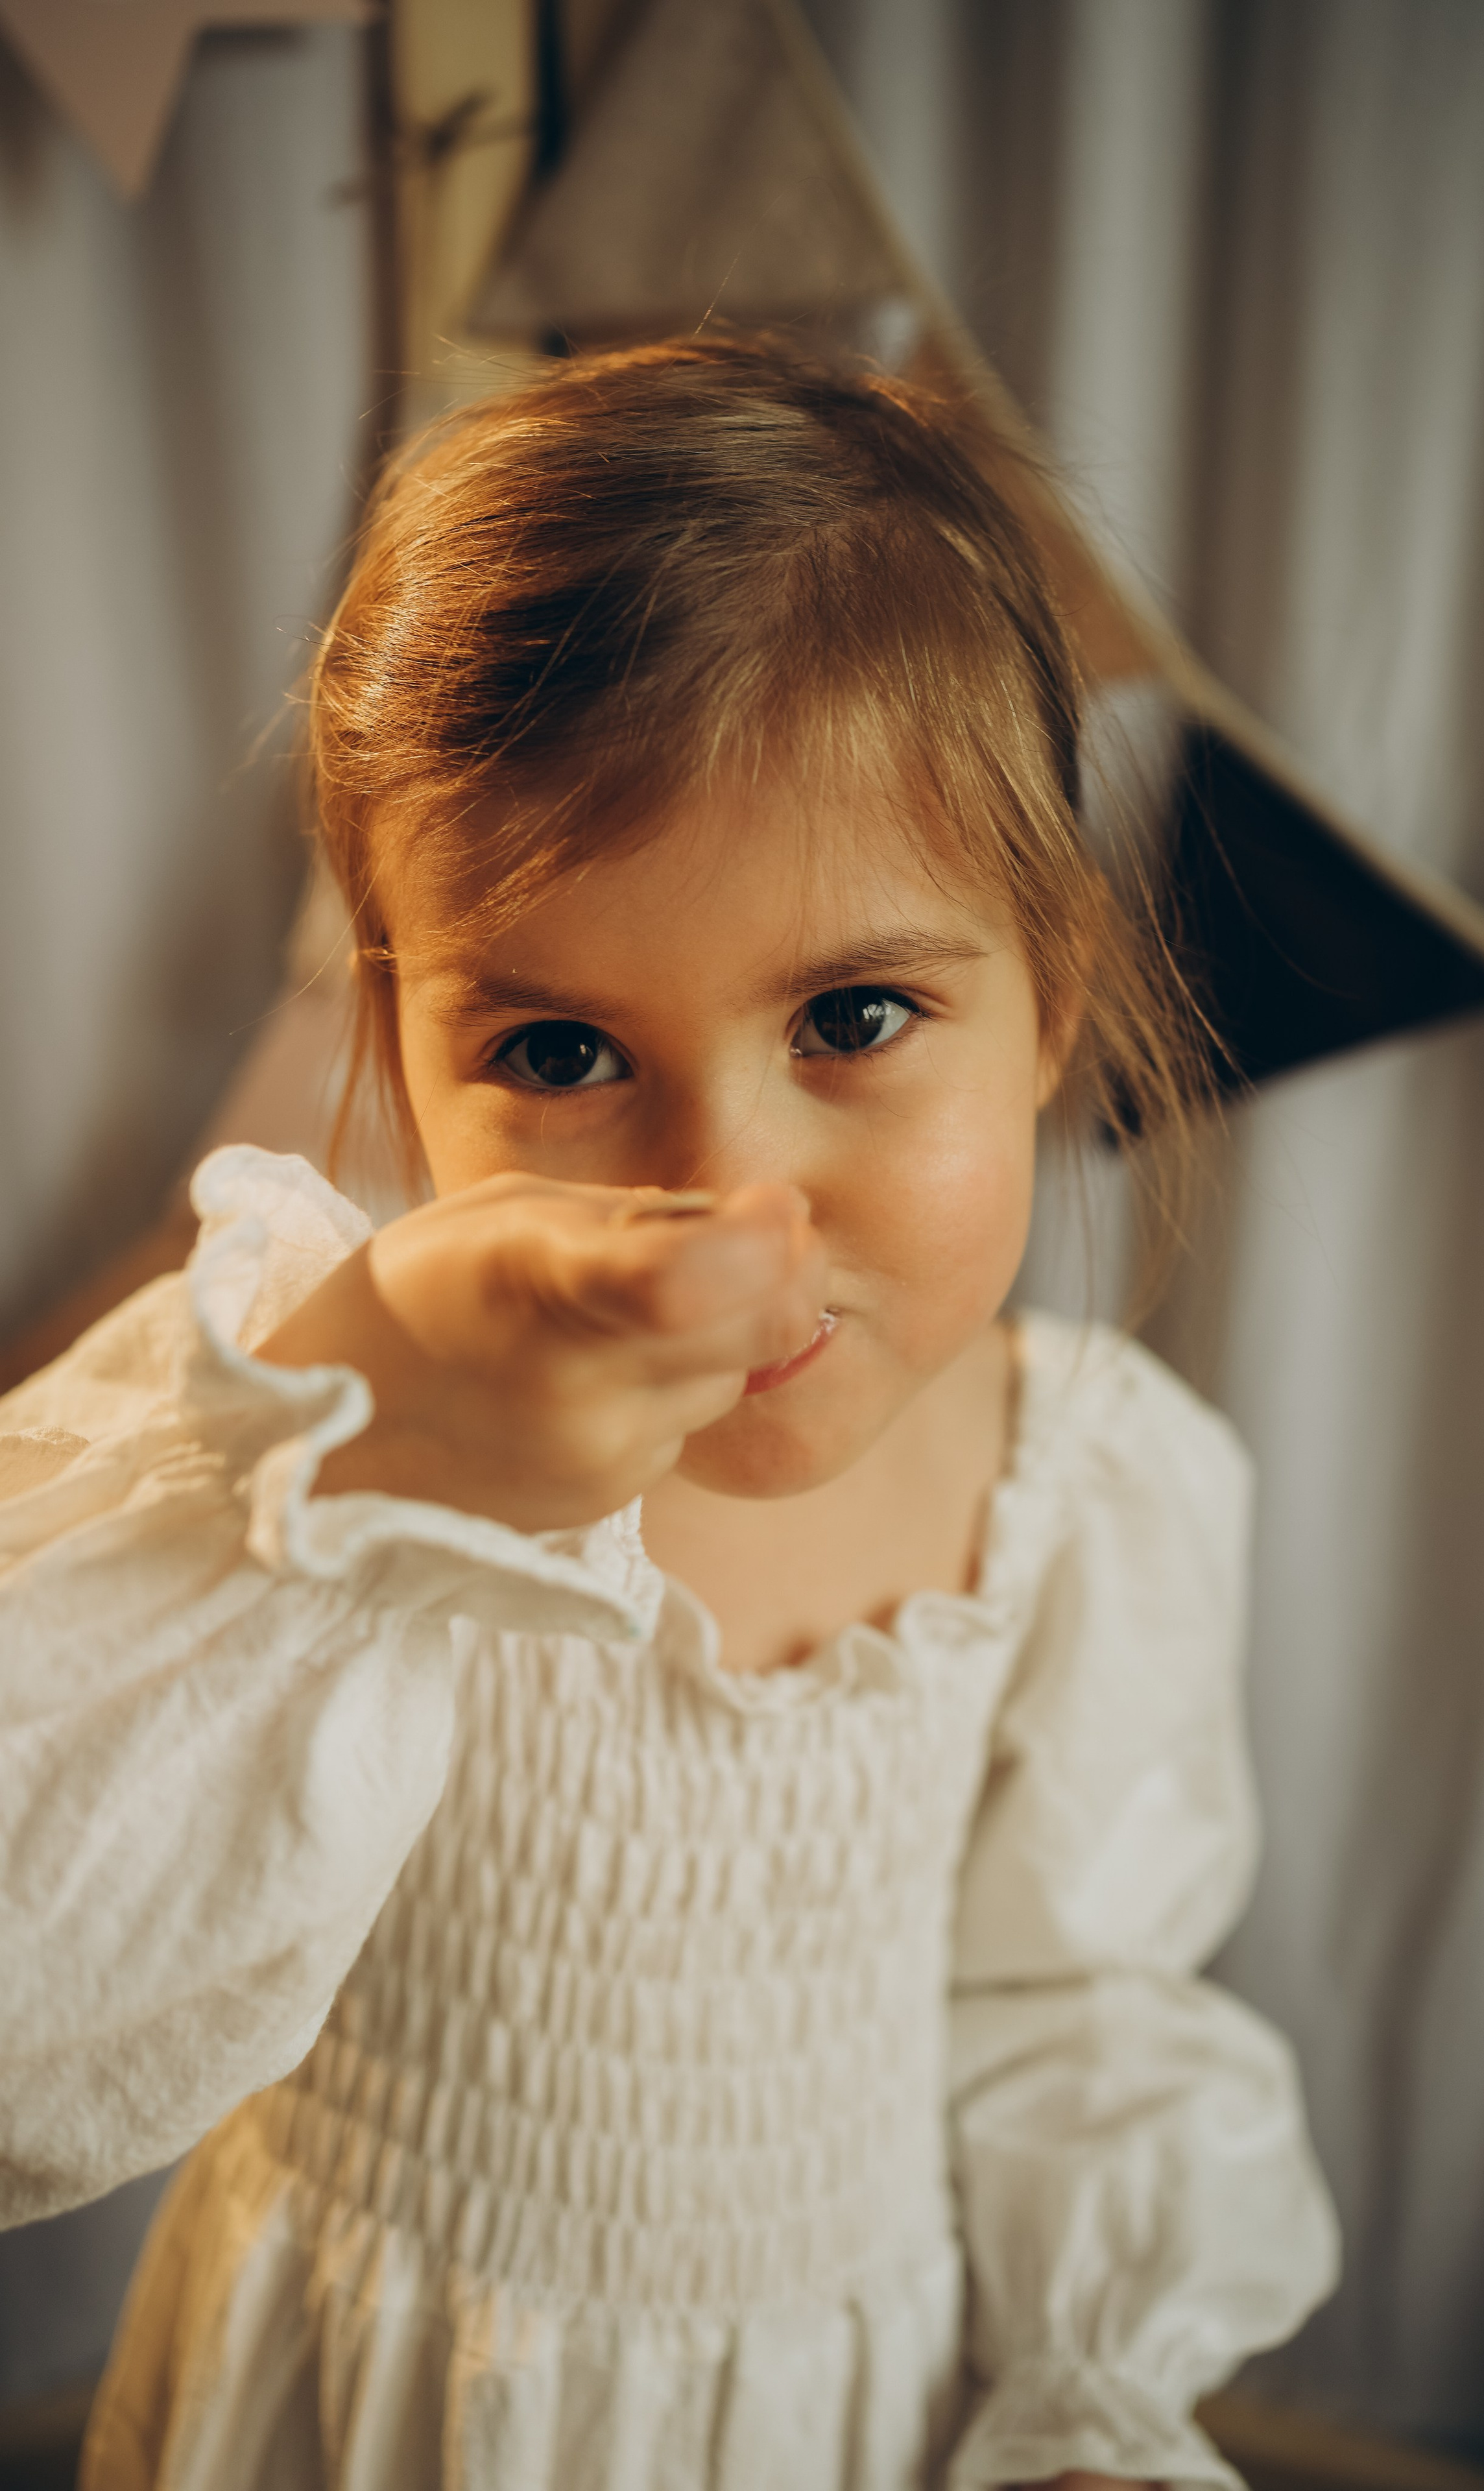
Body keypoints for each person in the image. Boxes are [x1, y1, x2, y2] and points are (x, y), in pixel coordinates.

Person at [0, 335, 1337, 2491]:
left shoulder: (1086, 1500)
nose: (725, 1198)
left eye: (855, 1015)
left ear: (1052, 1004)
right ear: (401, 1046)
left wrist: (1093, 2399)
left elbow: (1067, 2010)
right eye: (555, 1052)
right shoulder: (313, 1430)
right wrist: (367, 1457)